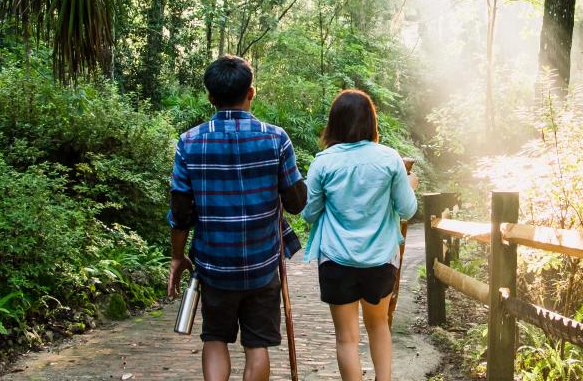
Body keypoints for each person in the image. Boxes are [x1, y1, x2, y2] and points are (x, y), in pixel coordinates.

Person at [168, 55, 307, 381]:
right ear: (251, 93)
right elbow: (297, 202)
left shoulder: (188, 143)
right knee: (256, 346)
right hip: (261, 266)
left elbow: (180, 212)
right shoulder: (276, 139)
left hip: (214, 267)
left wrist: (177, 256)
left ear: (210, 97)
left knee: (215, 338)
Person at [300, 89, 419, 381]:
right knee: (379, 326)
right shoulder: (390, 159)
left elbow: (309, 213)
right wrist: (409, 184)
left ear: (334, 123)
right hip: (379, 259)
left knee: (346, 338)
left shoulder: (323, 162)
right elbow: (407, 209)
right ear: (371, 122)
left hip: (336, 261)